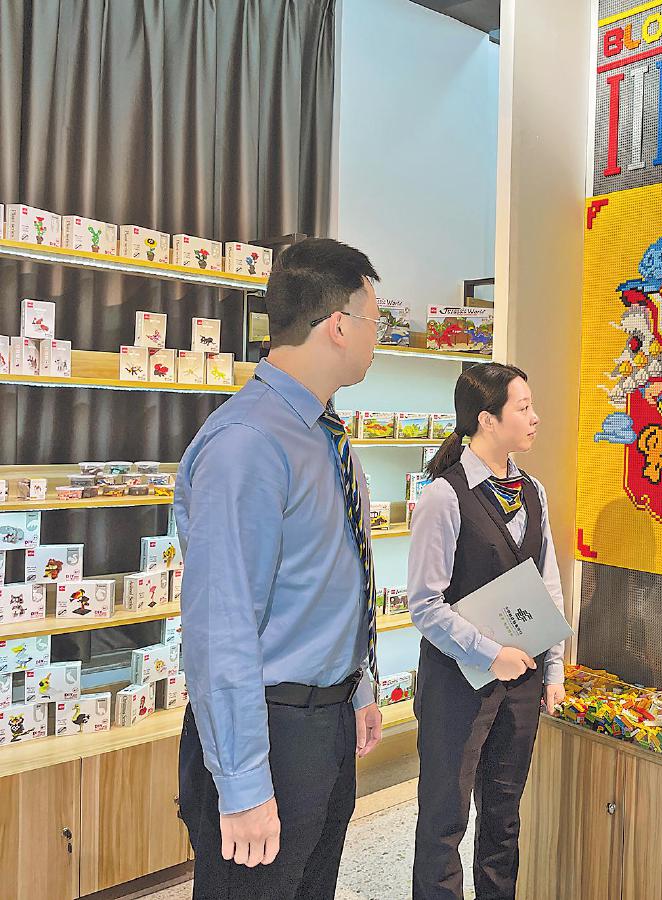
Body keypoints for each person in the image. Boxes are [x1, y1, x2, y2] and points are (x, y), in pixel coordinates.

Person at [175, 238, 386, 899]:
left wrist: (360, 687)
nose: (377, 336)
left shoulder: (324, 433)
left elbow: (332, 578)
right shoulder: (249, 442)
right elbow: (222, 626)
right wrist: (242, 785)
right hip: (269, 732)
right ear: (339, 325)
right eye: (374, 319)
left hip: (326, 724)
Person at [408, 362, 566, 900]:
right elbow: (425, 605)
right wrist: (489, 652)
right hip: (457, 684)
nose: (535, 417)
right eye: (523, 407)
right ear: (486, 419)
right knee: (444, 820)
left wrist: (553, 669)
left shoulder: (533, 491)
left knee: (503, 817)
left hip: (522, 682)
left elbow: (549, 585)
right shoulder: (443, 497)